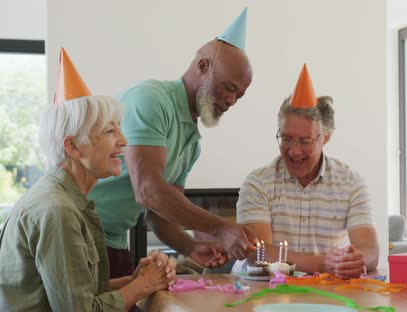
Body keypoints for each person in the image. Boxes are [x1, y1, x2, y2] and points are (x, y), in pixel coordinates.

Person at [0, 48, 175, 311]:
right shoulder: (57, 211)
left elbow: (80, 293)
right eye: (109, 130)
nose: (124, 140)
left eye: (119, 128)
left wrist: (136, 280)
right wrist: (141, 287)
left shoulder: (65, 200)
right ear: (73, 147)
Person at [88, 9, 256, 278]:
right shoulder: (151, 99)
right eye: (230, 88)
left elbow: (159, 214)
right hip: (76, 233)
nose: (231, 100)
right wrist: (220, 227)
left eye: (240, 95)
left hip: (114, 241)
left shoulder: (192, 145)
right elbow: (148, 192)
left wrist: (191, 246)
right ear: (202, 67)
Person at [235, 65, 379, 279]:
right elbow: (259, 253)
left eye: (304, 141)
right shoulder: (258, 183)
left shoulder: (351, 182)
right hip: (264, 290)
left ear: (326, 137)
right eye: (286, 139)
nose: (294, 150)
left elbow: (370, 251)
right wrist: (324, 263)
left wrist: (356, 261)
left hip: (327, 292)